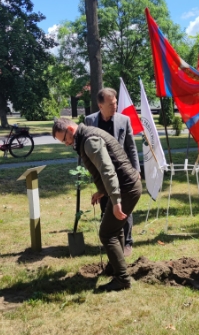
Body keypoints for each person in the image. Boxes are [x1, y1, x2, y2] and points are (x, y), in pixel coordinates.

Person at [52, 118, 142, 292]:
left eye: (65, 139)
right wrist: (102, 191)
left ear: (70, 129)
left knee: (107, 233)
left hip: (126, 189)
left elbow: (107, 170)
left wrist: (115, 200)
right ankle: (115, 267)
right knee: (115, 230)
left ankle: (122, 279)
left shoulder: (89, 140)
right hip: (127, 187)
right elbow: (106, 169)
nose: (65, 144)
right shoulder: (87, 135)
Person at [85, 87, 140, 257]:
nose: (115, 106)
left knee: (124, 208)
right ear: (100, 105)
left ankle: (127, 242)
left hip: (122, 172)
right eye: (110, 104)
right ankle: (112, 240)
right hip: (104, 174)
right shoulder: (89, 121)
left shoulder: (124, 120)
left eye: (115, 102)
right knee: (107, 207)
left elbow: (131, 146)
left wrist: (136, 170)